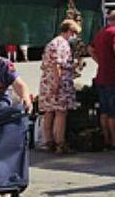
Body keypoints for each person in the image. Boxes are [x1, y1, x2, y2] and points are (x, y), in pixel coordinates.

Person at [88, 10, 115, 150]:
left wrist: (100, 61)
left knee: (105, 111)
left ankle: (106, 139)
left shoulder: (102, 32)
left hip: (102, 77)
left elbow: (90, 48)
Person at [38, 20, 81, 154]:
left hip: (46, 80)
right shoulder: (62, 44)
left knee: (48, 111)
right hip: (58, 81)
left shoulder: (52, 43)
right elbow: (57, 65)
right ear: (69, 31)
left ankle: (48, 141)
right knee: (61, 113)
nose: (74, 37)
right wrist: (57, 82)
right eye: (74, 33)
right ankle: (60, 143)